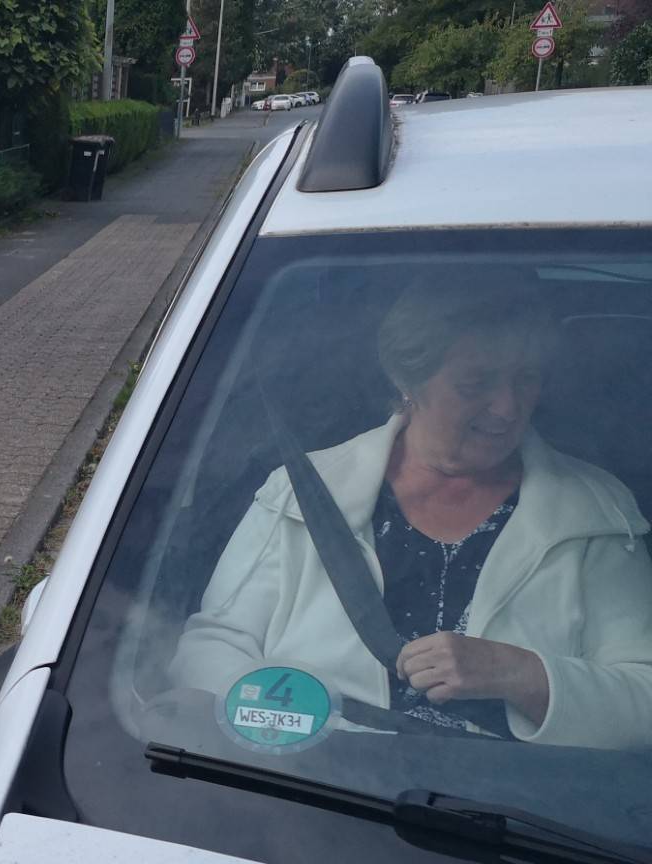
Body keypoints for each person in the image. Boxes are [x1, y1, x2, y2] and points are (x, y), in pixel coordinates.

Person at [168, 283, 652, 750]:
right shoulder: (303, 491)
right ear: (408, 381)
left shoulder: (594, 510)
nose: (507, 407)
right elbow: (214, 646)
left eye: (526, 379)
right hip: (316, 802)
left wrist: (521, 674)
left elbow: (643, 702)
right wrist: (292, 737)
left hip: (515, 818)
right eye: (476, 383)